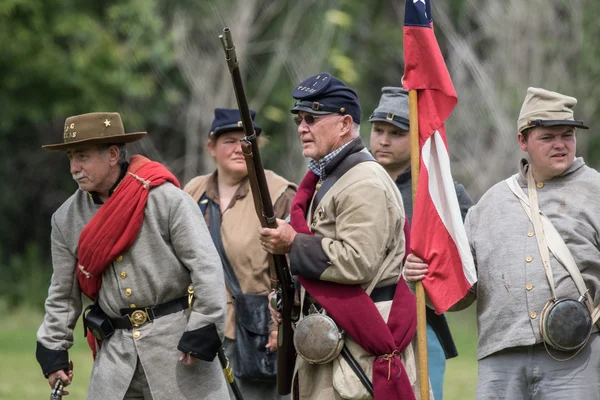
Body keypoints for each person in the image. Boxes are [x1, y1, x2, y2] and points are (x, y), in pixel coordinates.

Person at [404, 87, 600, 399]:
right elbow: (461, 295)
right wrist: (423, 275)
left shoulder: (596, 190)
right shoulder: (490, 204)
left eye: (567, 135)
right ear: (523, 140)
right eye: (548, 137)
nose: (561, 145)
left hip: (578, 356)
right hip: (500, 359)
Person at [36, 112, 228, 399]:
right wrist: (53, 346)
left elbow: (207, 268)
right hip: (116, 361)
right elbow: (63, 294)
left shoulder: (166, 200)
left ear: (113, 154)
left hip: (179, 352)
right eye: (70, 158)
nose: (74, 167)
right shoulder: (65, 219)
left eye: (83, 157)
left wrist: (204, 327)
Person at [261, 73, 429, 400]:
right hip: (335, 346)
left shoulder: (363, 181)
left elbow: (356, 263)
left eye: (312, 118)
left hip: (358, 355)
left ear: (344, 123)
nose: (301, 127)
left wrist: (294, 243)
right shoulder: (329, 178)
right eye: (299, 119)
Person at [183, 108, 296, 400]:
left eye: (246, 141)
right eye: (229, 141)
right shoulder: (193, 191)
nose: (238, 148)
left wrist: (280, 324)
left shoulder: (279, 193)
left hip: (257, 330)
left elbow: (293, 268)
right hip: (201, 326)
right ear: (211, 147)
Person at [368, 86, 474, 400]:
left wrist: (429, 267)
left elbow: (465, 257)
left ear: (415, 136)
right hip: (362, 322)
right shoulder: (351, 183)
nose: (384, 141)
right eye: (378, 130)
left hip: (421, 323)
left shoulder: (444, 193)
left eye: (397, 133)